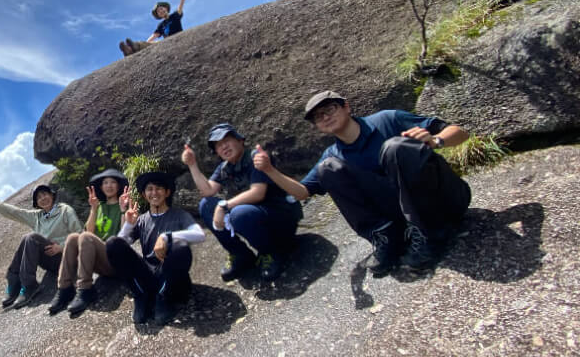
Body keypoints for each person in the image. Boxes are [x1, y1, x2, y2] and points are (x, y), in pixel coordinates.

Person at [252, 90, 472, 276]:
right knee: (328, 168)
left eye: (329, 109)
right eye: (319, 117)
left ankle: (429, 236)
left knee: (394, 147)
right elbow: (302, 192)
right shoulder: (334, 154)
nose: (326, 117)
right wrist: (269, 170)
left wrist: (435, 141)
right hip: (405, 218)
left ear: (346, 107)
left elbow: (460, 132)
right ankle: (388, 238)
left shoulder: (388, 119)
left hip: (446, 200)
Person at [183, 123, 303, 283]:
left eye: (227, 140)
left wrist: (224, 205)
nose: (223, 146)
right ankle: (240, 254)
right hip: (255, 217)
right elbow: (207, 191)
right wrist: (192, 165)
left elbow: (258, 192)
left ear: (240, 140)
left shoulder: (255, 157)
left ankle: (271, 252)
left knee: (238, 213)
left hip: (281, 219)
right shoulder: (225, 167)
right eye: (218, 145)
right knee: (206, 205)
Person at [105, 171, 205, 325]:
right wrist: (128, 223)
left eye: (158, 188)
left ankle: (163, 297)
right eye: (149, 189)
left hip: (171, 278)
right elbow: (119, 246)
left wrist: (167, 237)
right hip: (148, 277)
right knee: (112, 243)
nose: (154, 193)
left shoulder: (179, 215)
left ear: (167, 192)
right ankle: (140, 295)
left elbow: (199, 234)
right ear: (144, 195)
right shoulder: (142, 219)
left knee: (180, 247)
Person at [0, 185, 82, 309]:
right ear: (36, 202)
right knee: (27, 238)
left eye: (45, 194)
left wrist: (61, 247)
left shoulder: (64, 210)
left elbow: (79, 234)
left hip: (66, 258)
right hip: (50, 262)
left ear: (52, 195)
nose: (43, 198)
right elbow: (15, 212)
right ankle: (14, 282)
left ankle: (29, 286)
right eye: (39, 197)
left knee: (31, 237)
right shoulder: (37, 216)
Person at [47, 169, 129, 316]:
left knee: (84, 236)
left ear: (118, 186)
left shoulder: (125, 205)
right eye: (105, 182)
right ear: (101, 187)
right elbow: (89, 233)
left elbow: (123, 238)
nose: (109, 185)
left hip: (116, 260)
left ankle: (85, 289)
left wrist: (123, 210)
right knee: (73, 237)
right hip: (100, 261)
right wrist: (93, 208)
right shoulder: (99, 206)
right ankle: (64, 289)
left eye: (113, 182)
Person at [119, 0, 188, 56]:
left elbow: (179, 10)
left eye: (161, 8)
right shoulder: (161, 25)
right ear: (158, 15)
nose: (160, 11)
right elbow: (153, 37)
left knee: (158, 43)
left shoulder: (174, 16)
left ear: (166, 8)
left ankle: (132, 49)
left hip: (178, 37)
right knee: (152, 43)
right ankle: (130, 49)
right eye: (158, 11)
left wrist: (182, 0)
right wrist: (144, 44)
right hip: (168, 42)